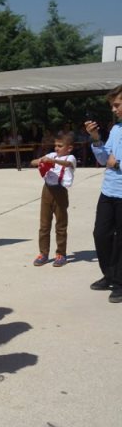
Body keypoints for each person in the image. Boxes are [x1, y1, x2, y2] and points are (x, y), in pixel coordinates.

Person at [86, 84, 122, 303]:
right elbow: (103, 159)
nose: (113, 109)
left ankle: (119, 282)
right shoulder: (116, 129)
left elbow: (111, 161)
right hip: (109, 190)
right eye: (112, 105)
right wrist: (96, 138)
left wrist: (116, 163)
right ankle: (109, 275)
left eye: (116, 105)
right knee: (101, 234)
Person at [30, 133, 76, 267]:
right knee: (44, 225)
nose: (56, 148)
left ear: (69, 148)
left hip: (60, 191)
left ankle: (61, 254)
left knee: (60, 225)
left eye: (60, 146)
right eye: (55, 145)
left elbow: (67, 164)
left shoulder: (70, 158)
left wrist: (53, 161)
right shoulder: (51, 155)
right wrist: (40, 161)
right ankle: (43, 253)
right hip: (47, 190)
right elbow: (33, 162)